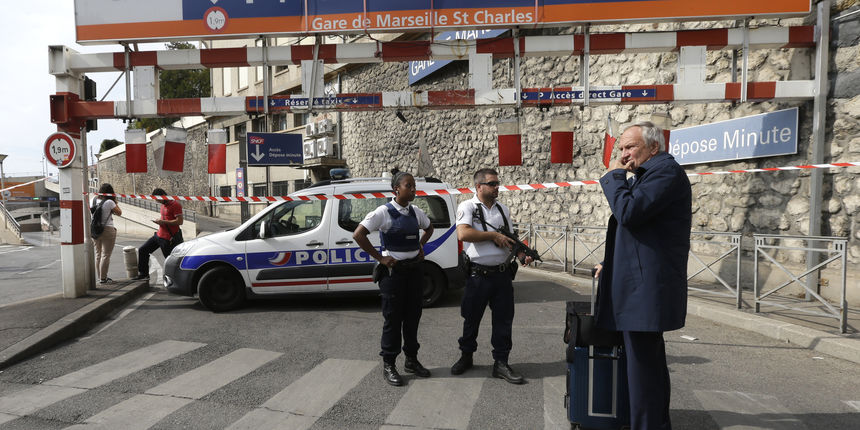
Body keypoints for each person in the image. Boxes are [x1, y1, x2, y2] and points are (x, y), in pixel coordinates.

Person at [594, 121, 691, 430]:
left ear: (653, 147)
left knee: (643, 368)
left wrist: (613, 176)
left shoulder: (664, 172)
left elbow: (629, 213)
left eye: (630, 147)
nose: (624, 154)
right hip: (642, 285)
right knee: (648, 364)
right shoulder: (651, 174)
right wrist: (608, 263)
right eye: (621, 148)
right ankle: (655, 423)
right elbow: (641, 233)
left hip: (645, 289)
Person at [451, 168, 532, 384]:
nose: (497, 187)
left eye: (498, 183)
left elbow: (509, 238)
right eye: (493, 184)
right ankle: (466, 356)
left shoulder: (502, 209)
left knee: (504, 321)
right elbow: (463, 233)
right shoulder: (467, 206)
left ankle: (501, 363)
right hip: (478, 275)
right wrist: (492, 235)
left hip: (501, 275)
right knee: (471, 319)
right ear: (479, 186)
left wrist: (522, 252)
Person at [353, 171, 435, 386]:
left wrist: (420, 246)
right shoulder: (384, 212)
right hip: (394, 275)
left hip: (414, 271)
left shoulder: (416, 212)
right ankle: (389, 364)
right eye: (409, 185)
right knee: (393, 319)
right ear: (397, 189)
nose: (414, 189)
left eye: (414, 185)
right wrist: (380, 258)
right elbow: (358, 234)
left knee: (412, 318)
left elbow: (429, 228)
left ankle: (411, 360)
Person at [131, 188, 183, 281]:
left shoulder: (175, 205)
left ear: (162, 196)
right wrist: (159, 221)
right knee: (143, 250)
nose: (156, 201)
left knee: (169, 260)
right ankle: (144, 274)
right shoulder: (163, 205)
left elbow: (180, 221)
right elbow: (165, 217)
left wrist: (163, 221)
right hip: (159, 235)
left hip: (168, 239)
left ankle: (176, 279)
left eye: (157, 199)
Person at [91, 183, 122, 284]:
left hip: (95, 229)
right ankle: (103, 279)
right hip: (107, 229)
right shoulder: (109, 202)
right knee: (106, 255)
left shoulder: (93, 200)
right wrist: (114, 201)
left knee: (98, 254)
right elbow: (119, 212)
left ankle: (100, 277)